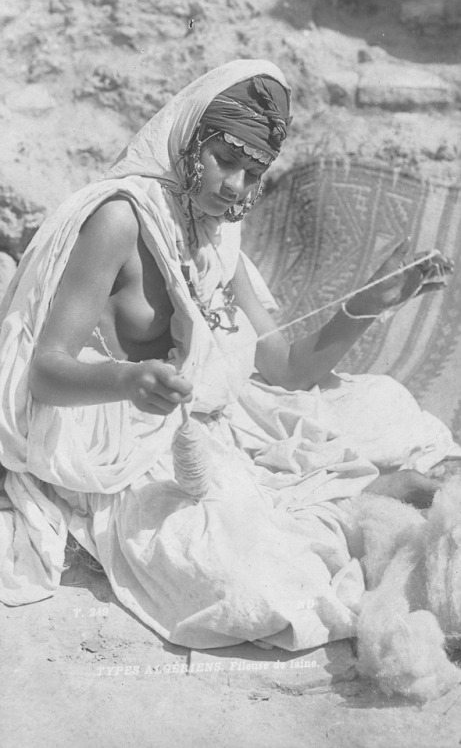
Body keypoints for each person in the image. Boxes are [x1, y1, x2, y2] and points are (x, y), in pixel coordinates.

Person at [0, 59, 458, 650]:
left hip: (208, 417)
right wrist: (130, 380)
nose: (238, 189)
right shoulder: (117, 221)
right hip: (117, 442)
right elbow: (43, 373)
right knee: (253, 587)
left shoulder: (217, 233)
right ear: (191, 141)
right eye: (227, 161)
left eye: (254, 172)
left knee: (386, 406)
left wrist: (370, 300)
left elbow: (287, 368)